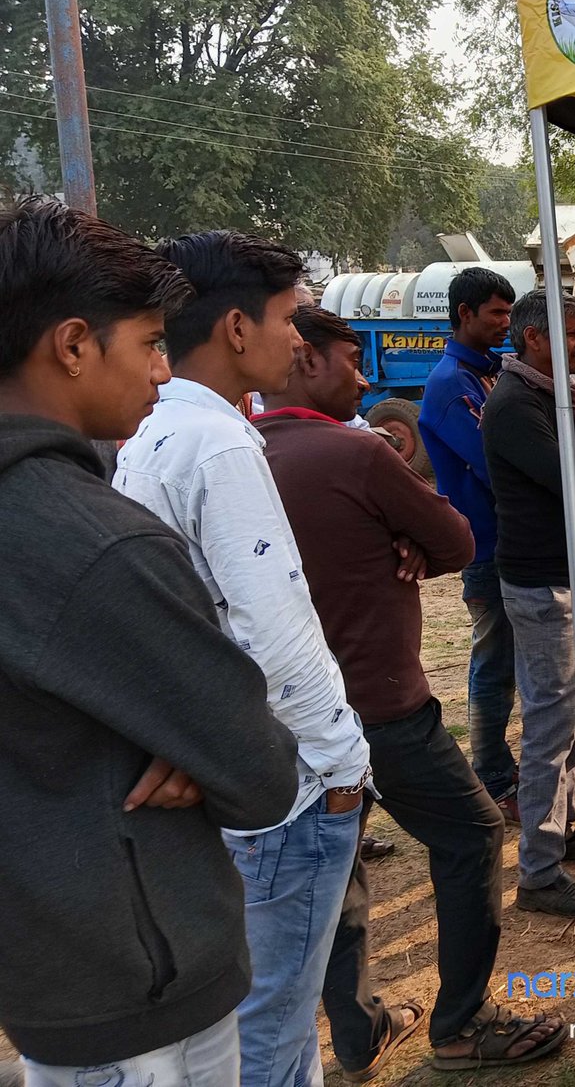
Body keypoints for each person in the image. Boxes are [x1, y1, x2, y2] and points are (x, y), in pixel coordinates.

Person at [0, 198, 298, 1083]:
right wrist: (199, 743)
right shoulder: (95, 543)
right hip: (133, 984)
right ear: (73, 345)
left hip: (51, 955)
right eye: (150, 343)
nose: (164, 372)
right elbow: (260, 767)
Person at [253, 306, 561, 1072]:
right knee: (473, 833)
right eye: (348, 361)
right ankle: (462, 1023)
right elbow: (455, 537)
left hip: (286, 715)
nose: (363, 380)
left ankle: (359, 1030)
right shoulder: (355, 451)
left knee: (339, 863)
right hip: (378, 703)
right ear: (305, 360)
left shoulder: (242, 453)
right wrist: (404, 534)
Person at [115, 231, 373, 1087]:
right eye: (288, 318)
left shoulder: (156, 430)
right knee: (271, 1027)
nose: (298, 339)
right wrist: (341, 758)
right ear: (235, 328)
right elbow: (274, 632)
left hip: (227, 773)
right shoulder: (217, 445)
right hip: (284, 789)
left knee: (267, 1020)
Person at [483, 291, 575, 916]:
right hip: (546, 581)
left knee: (573, 716)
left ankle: (560, 831)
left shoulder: (564, 396)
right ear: (533, 337)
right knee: (551, 723)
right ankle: (539, 873)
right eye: (572, 334)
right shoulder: (516, 404)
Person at [418, 267, 520, 822]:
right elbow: (492, 462)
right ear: (464, 314)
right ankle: (494, 776)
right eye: (496, 313)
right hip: (486, 545)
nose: (506, 323)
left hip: (511, 538)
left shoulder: (491, 371)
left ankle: (502, 768)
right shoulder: (450, 384)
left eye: (509, 313)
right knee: (494, 664)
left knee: (514, 662)